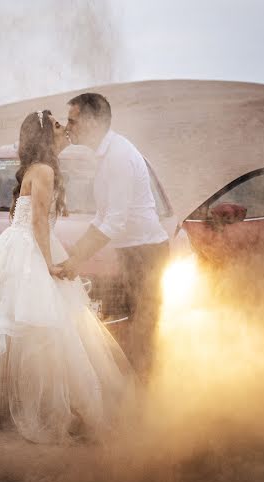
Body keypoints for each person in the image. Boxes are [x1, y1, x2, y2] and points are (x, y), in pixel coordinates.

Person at [0, 110, 134, 444]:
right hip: (30, 250)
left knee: (21, 328)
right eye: (57, 126)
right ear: (45, 136)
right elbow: (39, 220)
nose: (63, 129)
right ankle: (29, 407)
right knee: (40, 328)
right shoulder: (43, 170)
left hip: (22, 246)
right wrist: (49, 264)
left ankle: (9, 401)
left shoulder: (40, 168)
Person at [56, 93, 170, 380]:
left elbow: (114, 222)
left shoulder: (118, 156)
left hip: (146, 253)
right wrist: (74, 255)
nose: (68, 127)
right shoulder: (104, 155)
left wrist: (76, 260)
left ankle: (145, 402)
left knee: (143, 330)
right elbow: (102, 216)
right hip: (132, 251)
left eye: (73, 120)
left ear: (92, 122)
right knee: (133, 327)